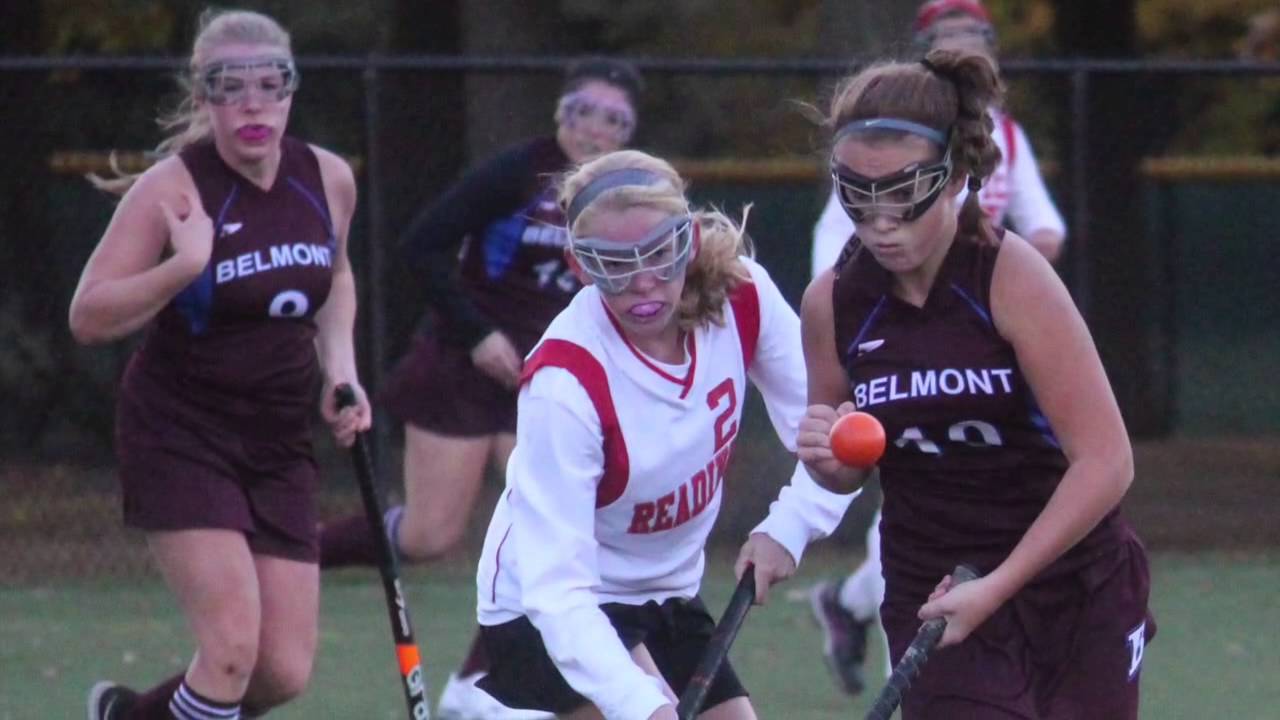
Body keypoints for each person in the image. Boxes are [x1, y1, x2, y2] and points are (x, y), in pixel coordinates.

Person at [796, 47, 1155, 718]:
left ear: (957, 173)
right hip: (932, 590)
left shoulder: (1011, 278)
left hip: (1075, 586)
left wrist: (998, 586)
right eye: (858, 194)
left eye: (906, 194)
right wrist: (826, 458)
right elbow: (844, 473)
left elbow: (1106, 462)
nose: (880, 222)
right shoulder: (834, 303)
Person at [472, 149, 857, 720]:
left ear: (690, 242)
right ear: (580, 266)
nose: (645, 284)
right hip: (548, 612)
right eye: (614, 265)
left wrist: (791, 527)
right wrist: (641, 705)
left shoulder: (742, 297)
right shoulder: (565, 383)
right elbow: (558, 590)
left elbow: (835, 433)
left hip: (666, 595)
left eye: (660, 253)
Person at [317, 58, 644, 718]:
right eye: (584, 111)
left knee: (550, 540)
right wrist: (478, 333)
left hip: (548, 384)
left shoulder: (628, 193)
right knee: (430, 536)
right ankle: (289, 549)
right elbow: (423, 244)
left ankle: (477, 691)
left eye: (614, 120)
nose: (596, 129)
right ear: (562, 113)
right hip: (463, 369)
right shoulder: (518, 173)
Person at [69, 9, 371, 720]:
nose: (253, 105)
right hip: (182, 434)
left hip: (277, 440)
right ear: (203, 97)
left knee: (280, 671)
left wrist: (341, 371)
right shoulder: (171, 191)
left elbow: (337, 277)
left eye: (271, 84)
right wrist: (187, 266)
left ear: (292, 89)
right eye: (230, 88)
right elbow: (88, 315)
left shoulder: (327, 177)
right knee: (232, 649)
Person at [807, 0, 1069, 696]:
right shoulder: (872, 161)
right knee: (917, 501)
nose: (881, 222)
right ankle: (866, 616)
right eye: (951, 42)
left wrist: (1009, 286)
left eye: (975, 40)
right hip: (900, 353)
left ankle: (847, 603)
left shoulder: (1005, 147)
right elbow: (837, 263)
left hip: (989, 330)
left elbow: (1045, 229)